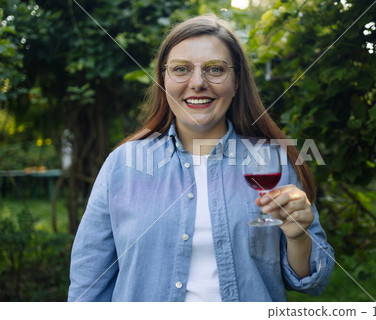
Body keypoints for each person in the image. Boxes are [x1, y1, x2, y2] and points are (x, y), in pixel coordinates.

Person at [68, 14, 334, 302]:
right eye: (181, 69)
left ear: (236, 82)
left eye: (215, 69)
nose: (197, 83)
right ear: (163, 80)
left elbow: (312, 282)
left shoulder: (274, 161)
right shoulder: (121, 165)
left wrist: (297, 237)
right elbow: (87, 284)